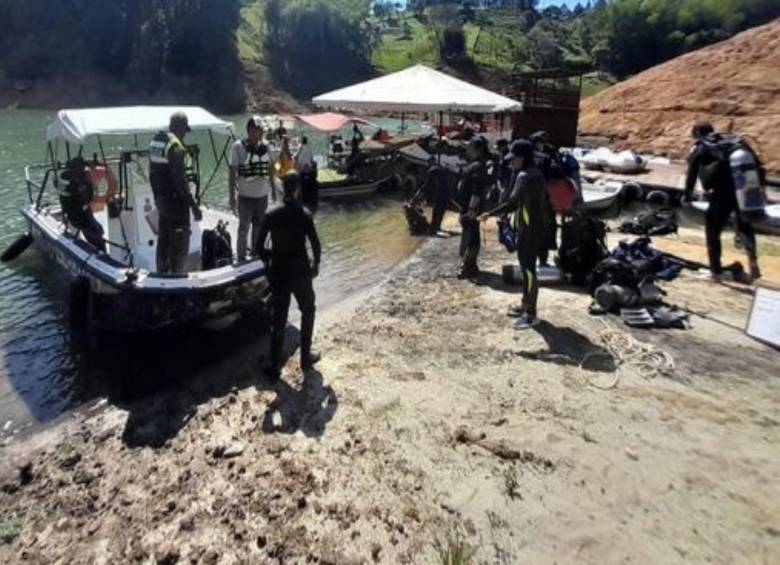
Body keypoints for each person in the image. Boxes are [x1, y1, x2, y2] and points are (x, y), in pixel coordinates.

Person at [257, 172, 322, 379]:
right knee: (308, 310)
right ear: (297, 189)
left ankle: (275, 367)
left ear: (283, 189)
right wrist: (316, 264)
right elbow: (316, 244)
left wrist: (270, 257)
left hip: (279, 273)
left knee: (279, 319)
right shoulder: (304, 214)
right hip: (301, 272)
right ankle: (305, 359)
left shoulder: (271, 214)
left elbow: (258, 247)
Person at [479, 139, 548, 329]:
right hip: (535, 226)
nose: (511, 162)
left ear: (522, 158)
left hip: (530, 229)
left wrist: (489, 213)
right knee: (527, 267)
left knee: (528, 271)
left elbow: (512, 203)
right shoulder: (535, 173)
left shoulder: (525, 176)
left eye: (514, 158)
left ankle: (531, 314)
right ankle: (525, 304)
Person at [684, 122, 761, 281]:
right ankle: (752, 259)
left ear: (697, 133)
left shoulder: (701, 146)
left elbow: (691, 174)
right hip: (744, 186)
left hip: (723, 192)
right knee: (745, 225)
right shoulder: (735, 142)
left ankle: (715, 273)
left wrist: (687, 195)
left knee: (712, 231)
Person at [149, 112, 202, 274]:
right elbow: (180, 181)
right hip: (176, 203)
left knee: (163, 240)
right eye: (185, 130)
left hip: (161, 201)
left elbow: (151, 173)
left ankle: (161, 274)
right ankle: (177, 279)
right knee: (179, 243)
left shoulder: (156, 141)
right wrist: (193, 206)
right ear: (179, 127)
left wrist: (156, 197)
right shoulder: (175, 146)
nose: (185, 133)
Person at [229, 116, 275, 261]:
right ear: (249, 130)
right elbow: (232, 172)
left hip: (262, 197)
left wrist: (273, 189)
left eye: (262, 130)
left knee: (259, 228)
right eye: (258, 130)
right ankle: (241, 258)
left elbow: (270, 169)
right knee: (243, 229)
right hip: (245, 197)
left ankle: (256, 254)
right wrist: (231, 196)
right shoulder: (237, 147)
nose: (261, 133)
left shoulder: (266, 147)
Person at [456, 136, 490, 279]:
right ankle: (471, 265)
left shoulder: (477, 166)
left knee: (470, 237)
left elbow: (477, 190)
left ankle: (467, 266)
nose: (467, 148)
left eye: (469, 146)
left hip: (472, 209)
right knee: (472, 235)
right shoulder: (477, 165)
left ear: (476, 149)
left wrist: (471, 209)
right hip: (471, 208)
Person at [59, 157, 106, 253]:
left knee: (99, 229)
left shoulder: (64, 176)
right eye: (83, 168)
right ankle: (100, 252)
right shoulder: (75, 181)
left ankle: (99, 246)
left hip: (75, 211)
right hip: (78, 214)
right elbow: (84, 197)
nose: (85, 170)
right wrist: (86, 182)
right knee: (96, 232)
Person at [530, 131, 562, 267]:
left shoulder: (526, 155)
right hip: (545, 198)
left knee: (529, 229)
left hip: (529, 198)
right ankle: (542, 260)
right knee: (544, 229)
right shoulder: (549, 155)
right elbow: (559, 172)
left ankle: (529, 258)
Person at [409, 156, 451, 235]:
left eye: (428, 163)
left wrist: (415, 197)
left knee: (436, 211)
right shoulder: (441, 168)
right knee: (441, 211)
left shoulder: (432, 170)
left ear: (430, 162)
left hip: (441, 193)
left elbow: (426, 185)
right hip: (447, 193)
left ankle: (433, 229)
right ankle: (437, 227)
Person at [296, 136, 319, 213]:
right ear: (307, 141)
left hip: (302, 168)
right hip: (308, 168)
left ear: (302, 142)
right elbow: (312, 159)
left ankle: (300, 194)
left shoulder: (301, 147)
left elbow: (296, 156)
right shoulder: (308, 148)